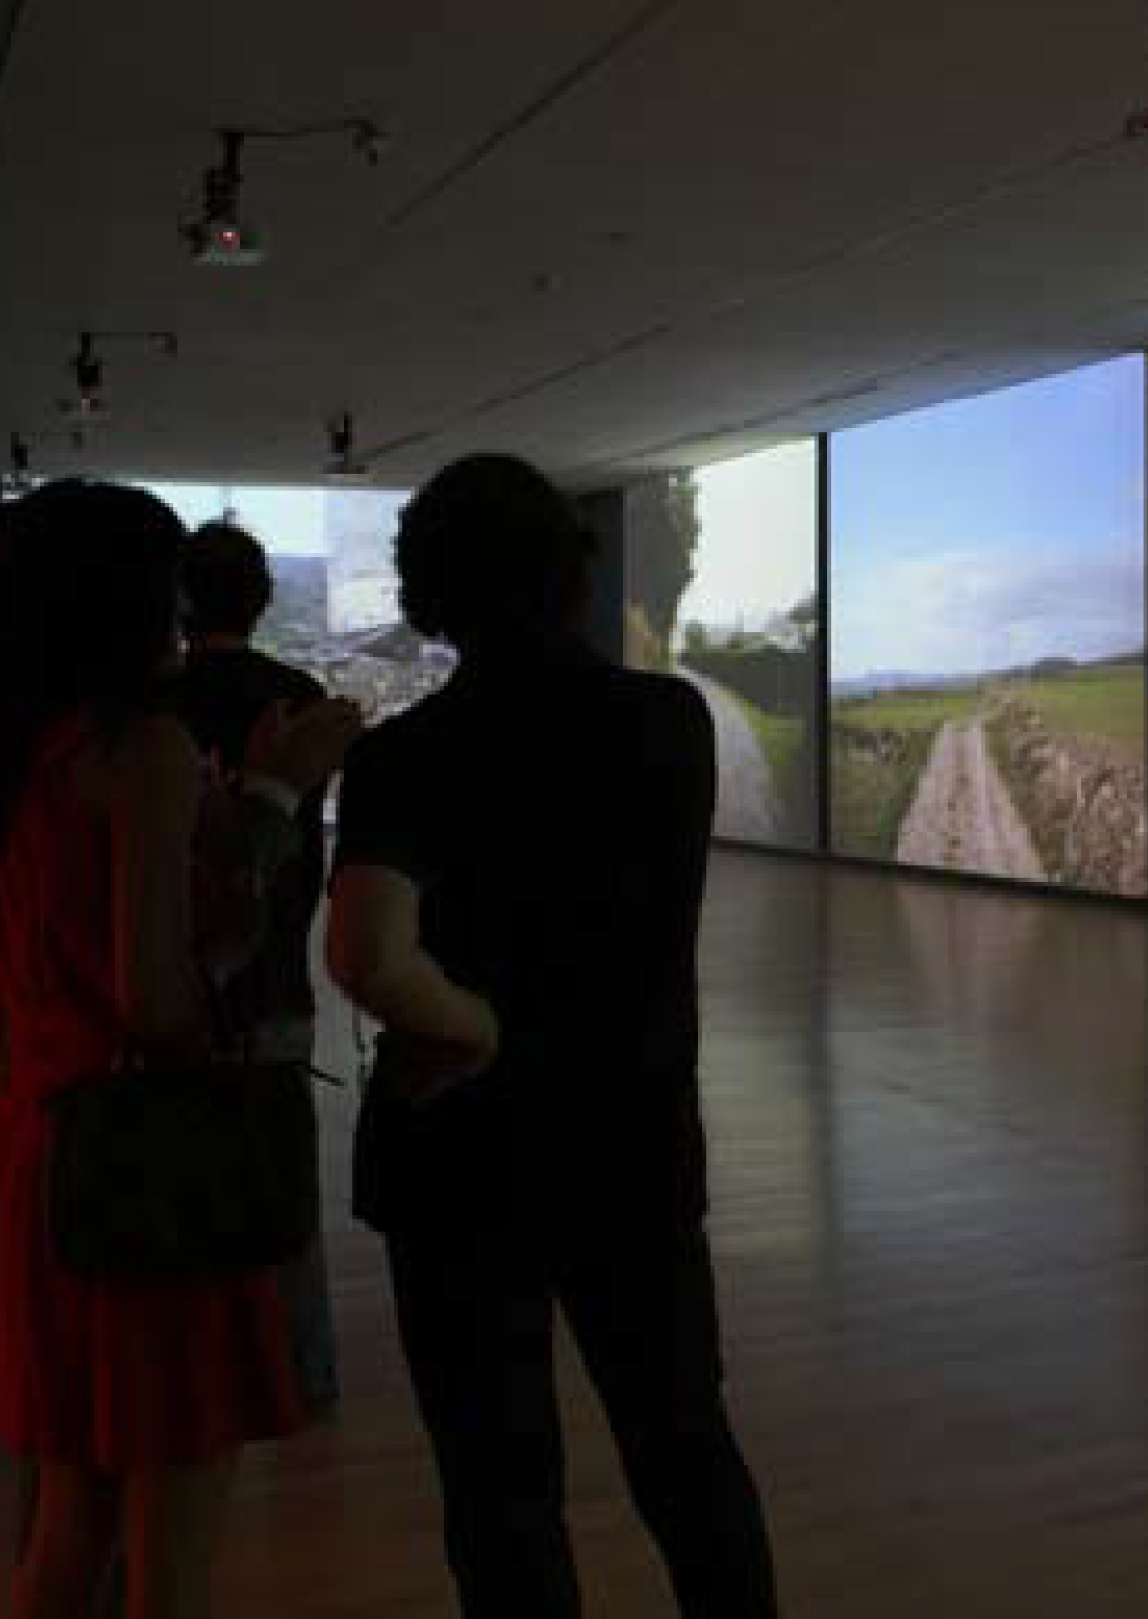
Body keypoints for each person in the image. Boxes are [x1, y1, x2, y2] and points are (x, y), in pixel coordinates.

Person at [327, 454, 778, 1618]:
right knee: (686, 1455)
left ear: (427, 593)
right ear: (572, 575)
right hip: (632, 1146)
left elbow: (367, 955)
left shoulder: (401, 758)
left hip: (458, 1165)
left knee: (501, 1492)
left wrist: (473, 1021)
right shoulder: (670, 723)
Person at [0, 481, 358, 1619]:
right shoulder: (145, 750)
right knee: (173, 1553)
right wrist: (274, 799)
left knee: (71, 1522)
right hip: (149, 1172)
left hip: (37, 1160)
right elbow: (157, 999)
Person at [165, 519, 340, 1417]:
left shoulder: (152, 704)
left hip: (173, 988)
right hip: (277, 978)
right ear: (262, 600)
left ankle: (194, 1379)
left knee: (175, 1198)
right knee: (285, 1200)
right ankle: (305, 1380)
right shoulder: (300, 696)